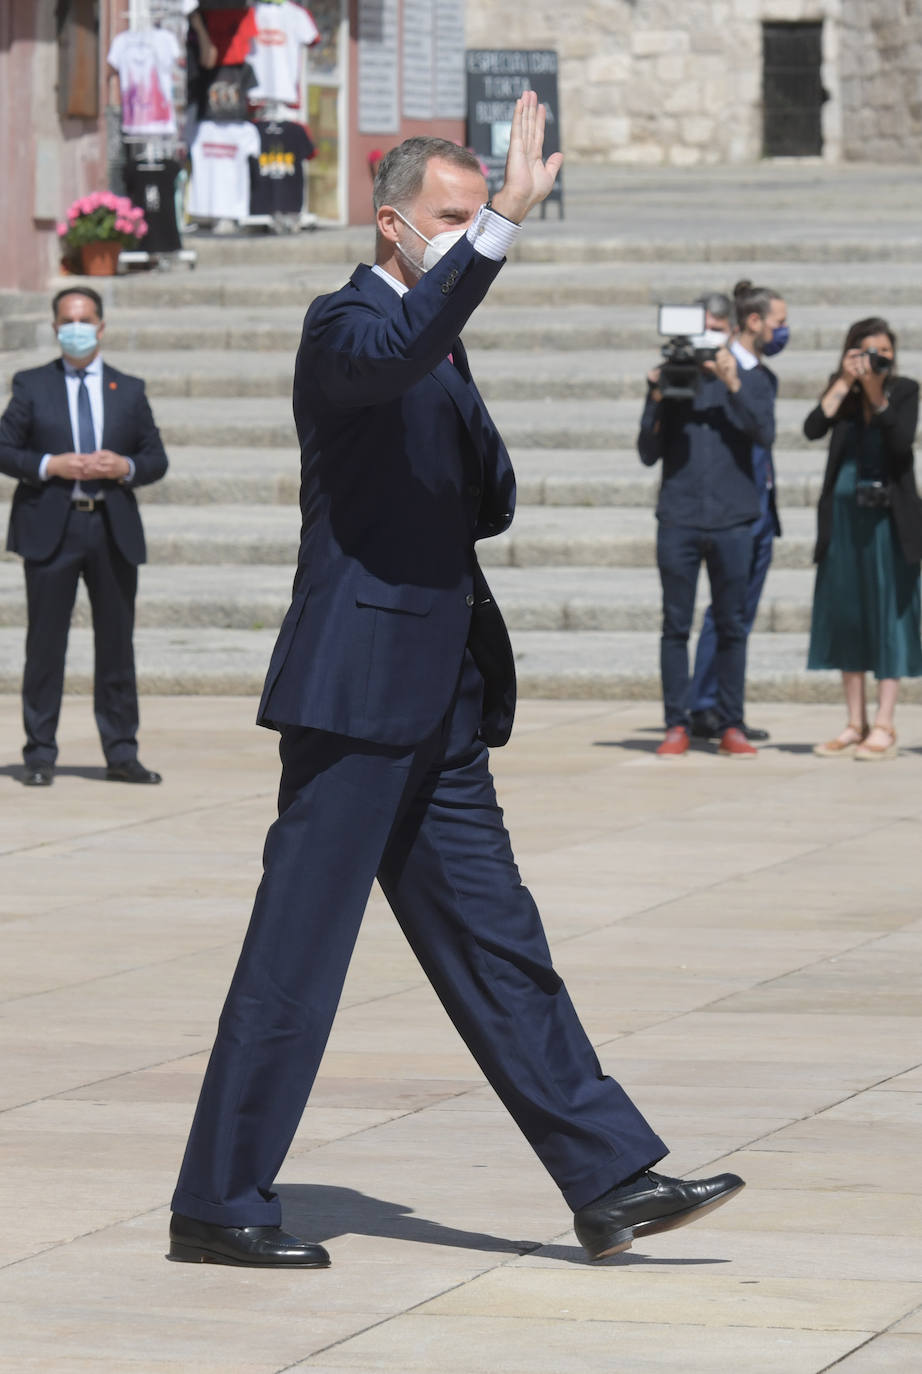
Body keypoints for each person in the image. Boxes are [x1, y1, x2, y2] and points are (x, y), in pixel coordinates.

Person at [167, 93, 744, 1270]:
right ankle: (219, 1200)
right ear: (393, 227)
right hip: (352, 690)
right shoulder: (344, 326)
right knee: (298, 956)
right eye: (451, 217)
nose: (470, 229)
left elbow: (470, 475)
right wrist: (499, 239)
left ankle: (609, 1179)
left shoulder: (436, 335)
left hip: (439, 699)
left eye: (478, 216)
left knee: (500, 942)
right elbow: (399, 351)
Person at [0, 286, 167, 786]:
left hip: (111, 527)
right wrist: (52, 464)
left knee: (116, 644)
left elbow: (155, 458)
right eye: (67, 321)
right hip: (52, 525)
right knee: (45, 645)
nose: (76, 328)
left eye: (85, 319)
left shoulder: (128, 389)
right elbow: (4, 447)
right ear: (55, 328)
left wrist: (126, 465)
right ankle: (39, 753)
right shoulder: (32, 385)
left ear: (101, 325)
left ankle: (121, 752)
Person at [638, 286, 776, 758]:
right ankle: (676, 723)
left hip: (734, 519)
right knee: (675, 625)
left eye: (714, 334)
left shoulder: (753, 378)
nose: (705, 345)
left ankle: (730, 722)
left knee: (733, 624)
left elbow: (765, 433)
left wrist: (732, 383)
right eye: (699, 334)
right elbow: (647, 452)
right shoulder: (676, 377)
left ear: (731, 332)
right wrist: (657, 395)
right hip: (678, 517)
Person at [806, 317, 922, 760]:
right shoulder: (845, 393)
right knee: (850, 615)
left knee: (889, 615)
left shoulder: (905, 389)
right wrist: (842, 381)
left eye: (883, 352)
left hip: (890, 522)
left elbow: (899, 442)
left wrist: (876, 390)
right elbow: (813, 427)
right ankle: (855, 722)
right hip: (844, 517)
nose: (876, 359)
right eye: (866, 351)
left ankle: (886, 723)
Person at [689, 281, 788, 744]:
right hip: (732, 511)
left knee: (739, 614)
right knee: (725, 615)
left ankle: (725, 707)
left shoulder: (761, 374)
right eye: (778, 322)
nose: (782, 331)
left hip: (761, 508)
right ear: (753, 321)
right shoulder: (719, 371)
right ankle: (708, 707)